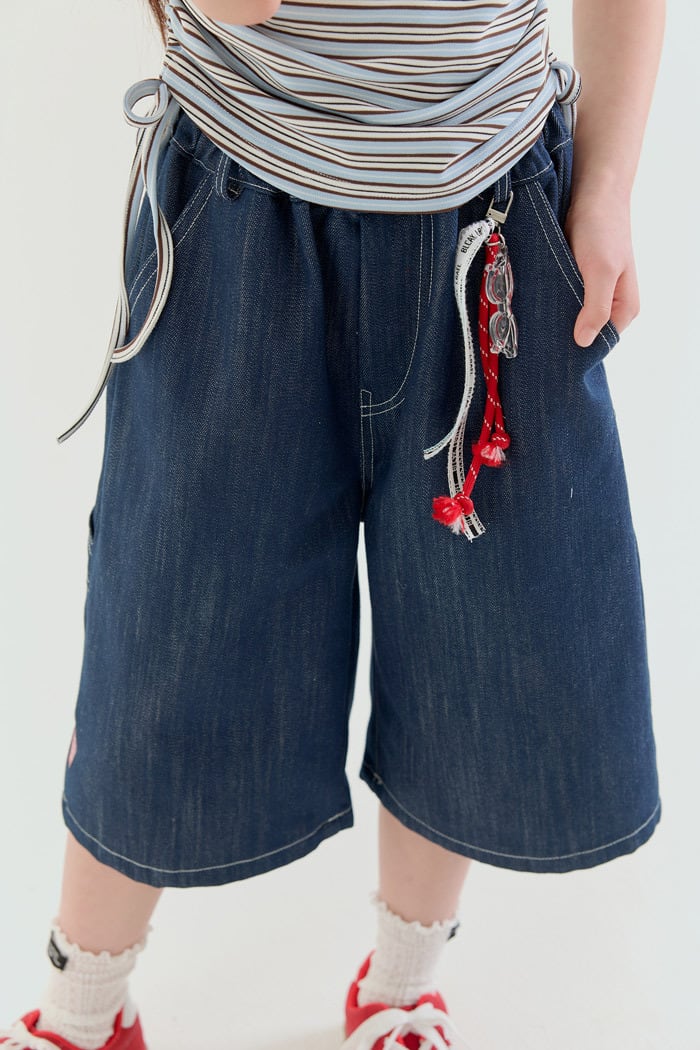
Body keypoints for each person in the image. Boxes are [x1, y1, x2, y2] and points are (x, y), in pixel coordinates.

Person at [1, 0, 666, 1047]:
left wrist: (609, 184)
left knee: (471, 642)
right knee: (170, 643)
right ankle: (81, 1006)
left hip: (492, 212)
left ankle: (401, 991)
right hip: (241, 215)